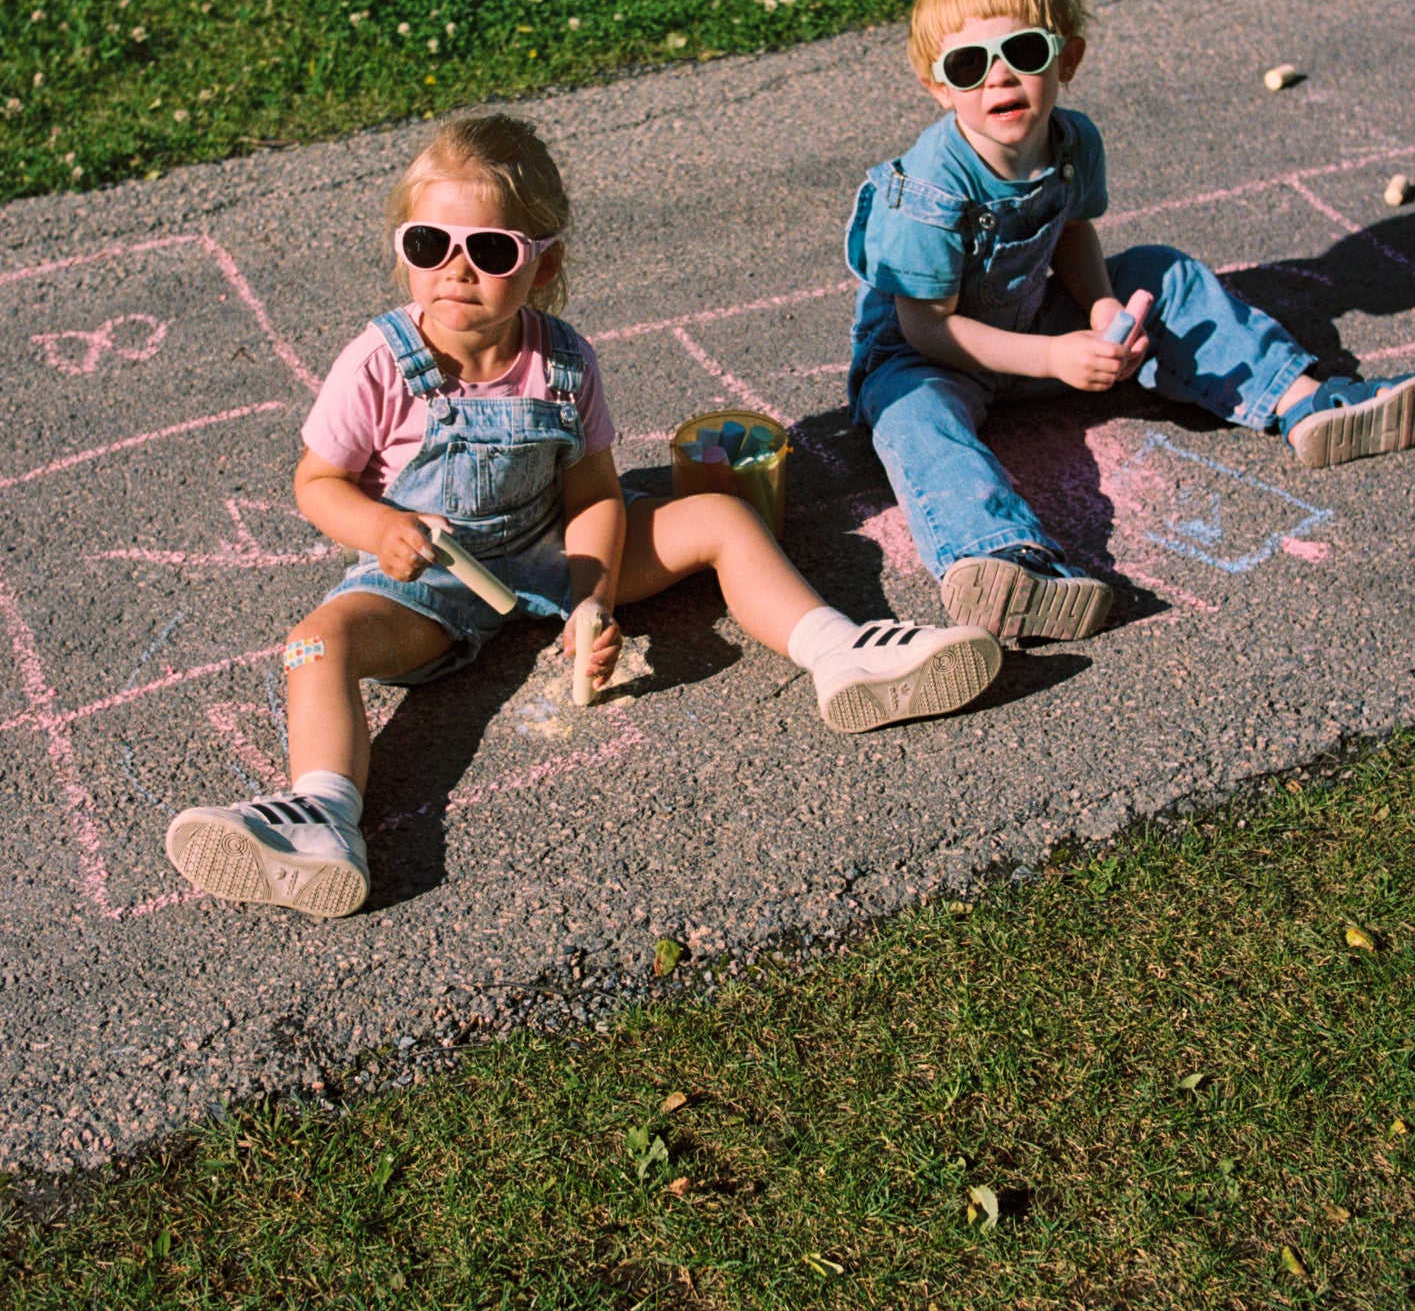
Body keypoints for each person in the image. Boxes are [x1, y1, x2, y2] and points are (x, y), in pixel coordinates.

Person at [166, 112, 1002, 919]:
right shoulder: (379, 360)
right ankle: (322, 816)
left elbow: (595, 495)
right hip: (431, 578)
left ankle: (840, 651)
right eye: (429, 246)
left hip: (546, 547)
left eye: (489, 251)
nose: (455, 270)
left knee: (717, 516)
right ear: (404, 253)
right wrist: (375, 528)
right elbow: (317, 482)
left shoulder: (563, 360)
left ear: (541, 262)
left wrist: (591, 594)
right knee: (317, 642)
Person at [846, 0, 1415, 645]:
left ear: (1066, 59)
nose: (998, 79)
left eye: (1024, 53)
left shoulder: (1071, 142)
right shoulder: (927, 190)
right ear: (938, 85)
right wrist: (1051, 361)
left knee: (1160, 272)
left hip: (1036, 319)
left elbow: (1069, 230)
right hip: (932, 354)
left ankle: (1303, 403)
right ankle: (999, 558)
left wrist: (1101, 306)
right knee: (911, 414)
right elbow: (926, 328)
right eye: (970, 65)